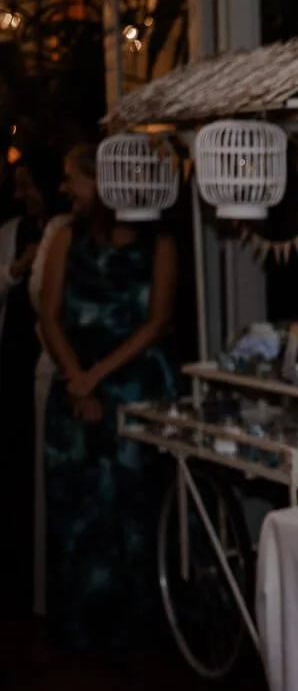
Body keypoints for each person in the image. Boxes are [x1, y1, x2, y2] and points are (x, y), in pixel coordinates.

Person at [39, 141, 177, 651]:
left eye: (72, 179)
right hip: (74, 387)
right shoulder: (65, 238)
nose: (64, 189)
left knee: (136, 510)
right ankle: (83, 629)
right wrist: (77, 380)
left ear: (102, 182)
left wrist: (95, 377)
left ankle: (141, 630)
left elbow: (158, 322)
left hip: (135, 387)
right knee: (79, 510)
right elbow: (49, 317)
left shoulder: (159, 242)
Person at [0, 147, 65, 610]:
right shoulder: (9, 232)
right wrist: (13, 269)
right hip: (13, 356)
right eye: (17, 184)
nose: (22, 193)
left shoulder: (63, 230)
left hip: (46, 357)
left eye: (28, 183)